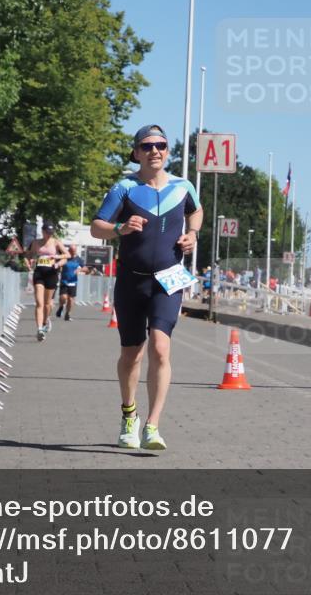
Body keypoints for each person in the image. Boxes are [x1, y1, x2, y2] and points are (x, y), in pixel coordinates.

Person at [90, 124, 203, 450]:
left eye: (161, 145)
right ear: (136, 152)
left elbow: (196, 212)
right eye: (148, 145)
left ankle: (152, 425)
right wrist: (119, 228)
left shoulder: (183, 187)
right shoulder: (124, 187)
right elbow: (97, 227)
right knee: (131, 355)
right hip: (131, 280)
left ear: (168, 151)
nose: (155, 150)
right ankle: (129, 414)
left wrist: (193, 234)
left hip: (168, 280)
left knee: (160, 347)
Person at [25, 223, 68, 341]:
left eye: (51, 233)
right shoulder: (35, 243)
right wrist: (29, 262)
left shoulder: (56, 242)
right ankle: (39, 329)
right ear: (43, 231)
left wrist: (57, 259)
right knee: (39, 302)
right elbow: (27, 254)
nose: (49, 235)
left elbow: (67, 255)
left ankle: (44, 322)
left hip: (51, 274)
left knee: (47, 303)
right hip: (39, 273)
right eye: (47, 232)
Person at [56, 245, 86, 321]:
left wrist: (80, 270)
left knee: (71, 299)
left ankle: (68, 314)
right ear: (69, 250)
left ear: (75, 251)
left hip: (73, 282)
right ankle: (61, 306)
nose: (72, 253)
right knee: (63, 297)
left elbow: (85, 268)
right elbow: (58, 263)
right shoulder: (65, 257)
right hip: (64, 280)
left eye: (74, 251)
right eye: (71, 251)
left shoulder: (78, 259)